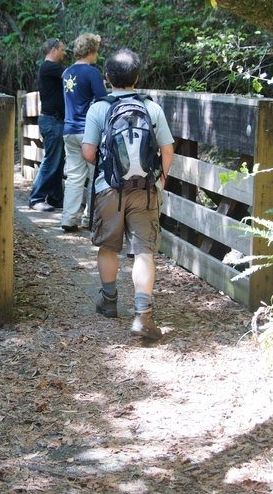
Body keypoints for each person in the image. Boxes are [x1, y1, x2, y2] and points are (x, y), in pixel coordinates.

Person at [81, 49, 174, 340]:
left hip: (108, 189)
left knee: (108, 246)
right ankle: (142, 317)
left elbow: (88, 152)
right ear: (137, 77)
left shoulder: (99, 108)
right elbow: (167, 150)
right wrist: (161, 180)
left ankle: (109, 302)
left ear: (107, 78)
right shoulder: (151, 107)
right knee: (144, 251)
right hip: (145, 190)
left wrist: (110, 167)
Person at [61, 32, 107, 232]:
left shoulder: (67, 72)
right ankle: (90, 218)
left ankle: (68, 219)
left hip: (69, 130)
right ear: (90, 51)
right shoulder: (92, 73)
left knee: (74, 176)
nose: (97, 54)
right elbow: (103, 100)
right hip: (88, 131)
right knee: (94, 174)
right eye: (96, 50)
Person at [29, 38, 67, 212]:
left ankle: (55, 198)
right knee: (51, 161)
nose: (65, 53)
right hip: (52, 120)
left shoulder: (50, 68)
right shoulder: (50, 67)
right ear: (53, 50)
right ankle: (36, 198)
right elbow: (72, 76)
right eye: (62, 49)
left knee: (57, 161)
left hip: (54, 120)